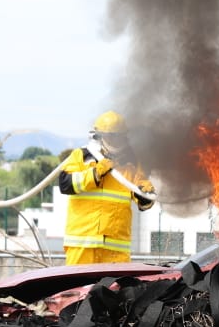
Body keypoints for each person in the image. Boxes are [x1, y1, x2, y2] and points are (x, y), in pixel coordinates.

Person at [57, 110, 155, 265]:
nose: (115, 142)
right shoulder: (81, 157)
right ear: (98, 136)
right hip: (83, 245)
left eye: (119, 138)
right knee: (79, 289)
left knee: (114, 290)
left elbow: (145, 201)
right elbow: (65, 184)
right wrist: (95, 173)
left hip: (115, 250)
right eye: (111, 137)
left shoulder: (131, 165)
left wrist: (147, 193)